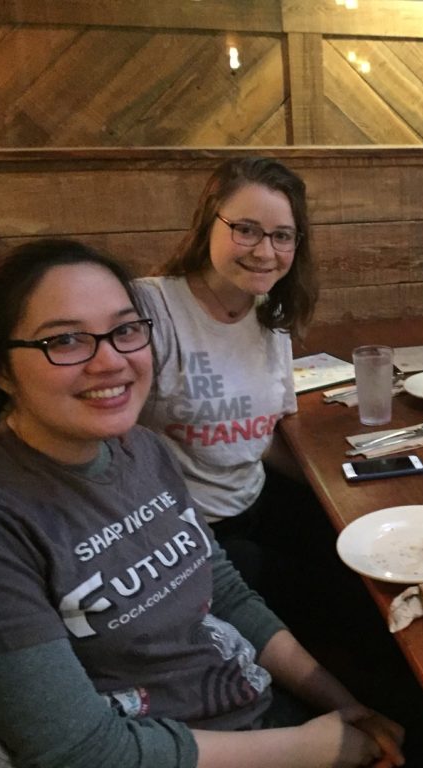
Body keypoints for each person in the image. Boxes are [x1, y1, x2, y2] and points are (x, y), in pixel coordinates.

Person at [0, 240, 404, 768]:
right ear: (1, 369)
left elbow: (225, 592)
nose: (110, 361)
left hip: (256, 709)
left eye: (125, 330)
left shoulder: (142, 448)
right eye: (66, 339)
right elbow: (84, 753)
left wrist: (342, 704)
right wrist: (313, 749)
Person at [132, 157, 317, 587]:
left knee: (356, 566)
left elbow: (258, 435)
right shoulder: (150, 310)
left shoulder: (270, 309)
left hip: (255, 499)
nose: (265, 251)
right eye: (246, 229)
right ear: (207, 223)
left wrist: (339, 482)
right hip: (178, 528)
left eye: (282, 236)